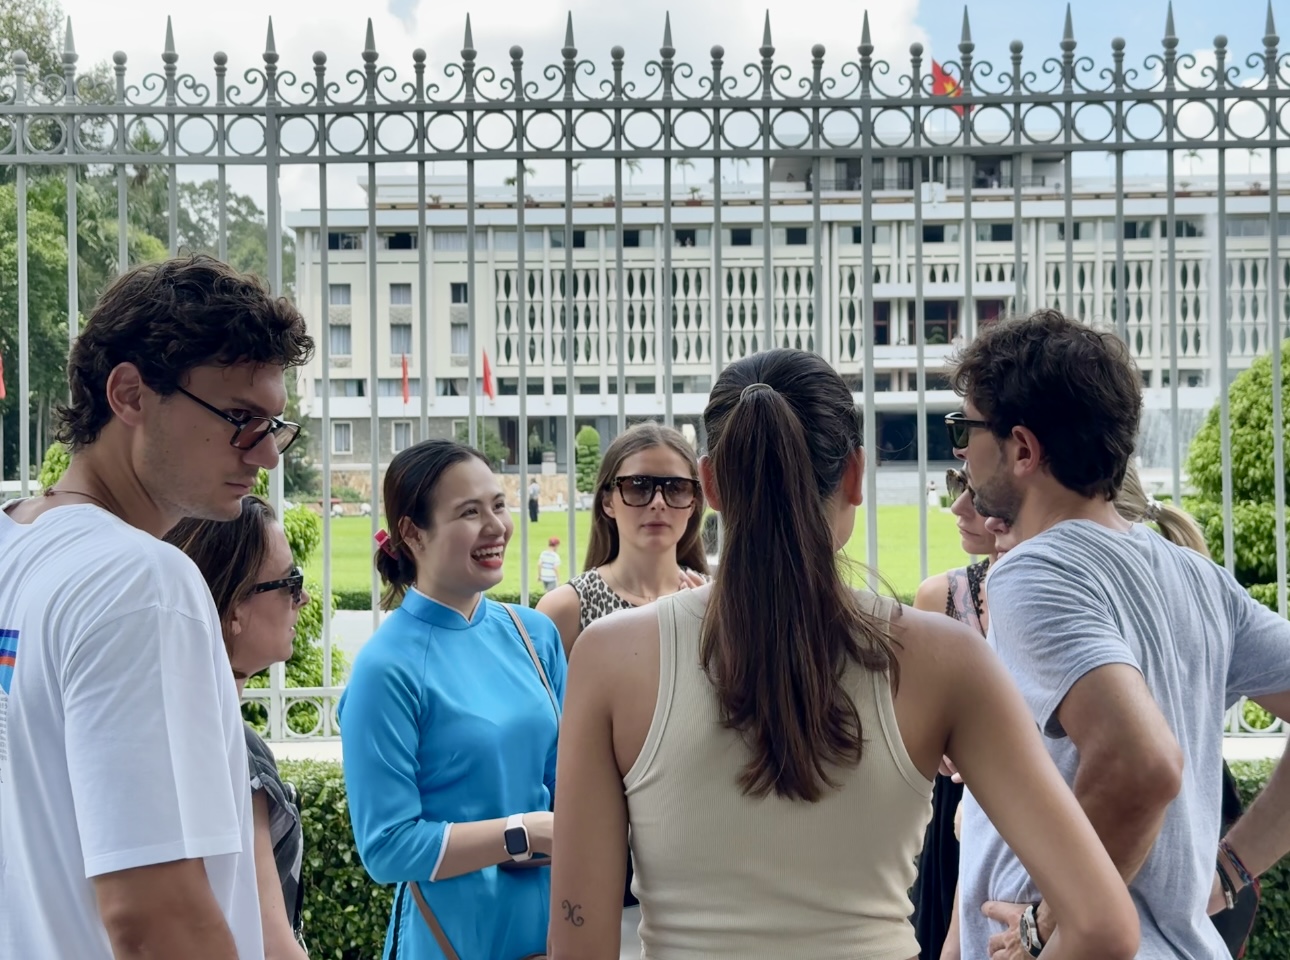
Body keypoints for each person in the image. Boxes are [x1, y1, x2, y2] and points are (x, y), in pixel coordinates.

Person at [547, 347, 1139, 960]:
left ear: (712, 484)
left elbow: (577, 942)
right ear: (856, 475)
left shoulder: (609, 657)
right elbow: (1103, 927)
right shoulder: (945, 659)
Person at [947, 309, 1290, 960]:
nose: (960, 450)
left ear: (1022, 448)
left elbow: (1143, 763)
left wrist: (1045, 926)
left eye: (965, 428)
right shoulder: (1195, 576)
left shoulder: (1033, 572)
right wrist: (1235, 866)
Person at [0, 255, 313, 960]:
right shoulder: (140, 581)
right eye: (239, 419)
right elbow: (157, 920)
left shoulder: (15, 545)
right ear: (131, 395)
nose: (266, 454)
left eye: (273, 425)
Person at [338, 439, 567, 960]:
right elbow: (388, 847)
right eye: (469, 512)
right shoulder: (386, 667)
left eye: (499, 505)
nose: (497, 527)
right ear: (412, 533)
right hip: (452, 937)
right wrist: (521, 832)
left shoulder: (534, 635)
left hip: (557, 930)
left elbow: (570, 785)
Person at [165, 496, 313, 959]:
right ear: (233, 609)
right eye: (290, 582)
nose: (302, 598)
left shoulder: (175, 721)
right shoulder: (232, 746)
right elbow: (272, 941)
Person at [908, 467, 994, 960]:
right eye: (958, 486)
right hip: (954, 805)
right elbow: (919, 725)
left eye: (976, 493)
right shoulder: (941, 593)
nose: (960, 506)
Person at [537, 421, 709, 662]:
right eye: (638, 485)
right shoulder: (566, 610)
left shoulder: (715, 604)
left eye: (676, 487)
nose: (658, 502)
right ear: (607, 502)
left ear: (693, 503)